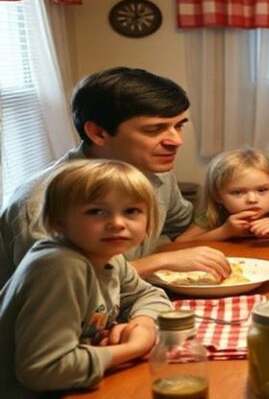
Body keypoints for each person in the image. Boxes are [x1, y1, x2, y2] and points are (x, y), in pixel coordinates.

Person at [0, 160, 174, 399]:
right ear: (58, 221)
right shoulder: (60, 267)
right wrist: (131, 350)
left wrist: (143, 324)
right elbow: (43, 369)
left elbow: (149, 295)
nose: (117, 224)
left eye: (132, 211)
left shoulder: (106, 255)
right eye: (97, 211)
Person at [0, 67, 230, 288]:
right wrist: (157, 262)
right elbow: (55, 288)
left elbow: (183, 226)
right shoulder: (42, 201)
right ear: (98, 133)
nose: (176, 141)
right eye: (153, 129)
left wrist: (232, 217)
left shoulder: (153, 169)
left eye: (178, 126)